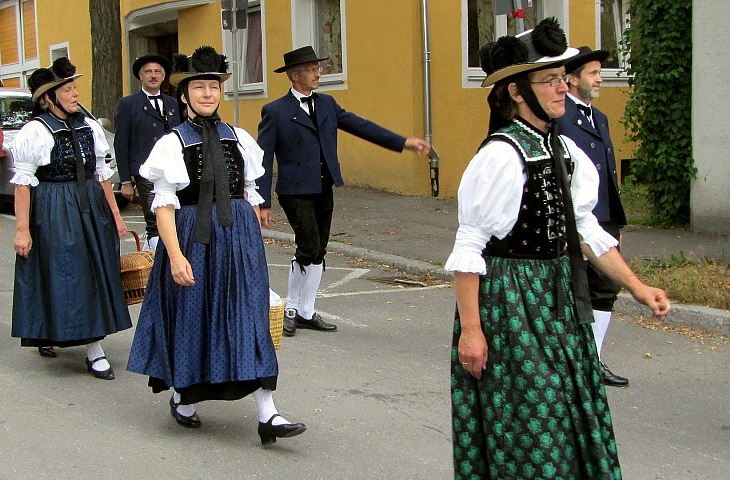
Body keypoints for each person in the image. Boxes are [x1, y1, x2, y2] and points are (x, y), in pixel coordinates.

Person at [444, 18, 671, 479]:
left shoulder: (563, 148)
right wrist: (472, 330)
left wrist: (637, 286)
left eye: (562, 78)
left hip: (558, 299)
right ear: (516, 92)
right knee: (529, 419)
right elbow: (470, 246)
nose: (561, 88)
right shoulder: (501, 156)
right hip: (511, 304)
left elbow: (584, 228)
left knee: (569, 410)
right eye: (548, 80)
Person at [127, 46, 305, 445]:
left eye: (213, 87)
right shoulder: (172, 143)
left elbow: (249, 193)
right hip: (193, 237)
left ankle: (268, 413)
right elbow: (164, 207)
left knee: (249, 318)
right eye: (200, 87)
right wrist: (174, 256)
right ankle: (185, 399)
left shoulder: (238, 137)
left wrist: (251, 245)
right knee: (194, 317)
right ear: (185, 95)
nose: (208, 94)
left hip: (239, 240)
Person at [256, 46, 430, 337]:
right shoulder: (276, 111)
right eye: (312, 69)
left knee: (319, 248)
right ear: (294, 75)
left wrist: (403, 142)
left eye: (317, 68)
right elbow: (263, 155)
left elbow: (361, 126)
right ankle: (291, 307)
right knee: (308, 245)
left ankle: (306, 311)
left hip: (323, 185)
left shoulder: (327, 104)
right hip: (294, 190)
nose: (318, 73)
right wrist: (262, 201)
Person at [10, 57, 132, 380]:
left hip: (89, 206)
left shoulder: (89, 127)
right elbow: (22, 184)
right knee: (65, 272)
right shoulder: (36, 131)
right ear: (49, 98)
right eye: (67, 89)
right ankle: (93, 349)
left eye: (75, 86)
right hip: (53, 207)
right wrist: (22, 229)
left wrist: (116, 216)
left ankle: (71, 336)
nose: (75, 93)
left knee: (92, 270)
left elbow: (101, 173)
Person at [559, 47, 630, 387]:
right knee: (575, 289)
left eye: (600, 71)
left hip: (603, 217)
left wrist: (616, 219)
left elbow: (608, 172)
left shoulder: (598, 117)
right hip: (574, 218)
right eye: (593, 72)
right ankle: (571, 361)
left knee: (606, 287)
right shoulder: (559, 118)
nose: (600, 77)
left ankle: (594, 359)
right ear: (572, 80)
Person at [113, 54, 181, 250]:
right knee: (155, 220)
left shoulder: (172, 103)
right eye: (148, 72)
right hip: (146, 172)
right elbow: (121, 143)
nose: (153, 76)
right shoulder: (128, 104)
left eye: (157, 72)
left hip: (173, 171)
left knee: (174, 217)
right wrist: (126, 180)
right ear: (140, 76)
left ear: (163, 76)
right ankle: (156, 261)